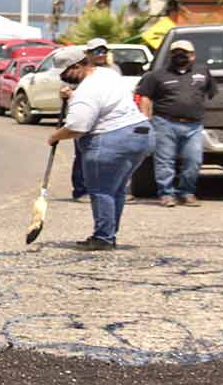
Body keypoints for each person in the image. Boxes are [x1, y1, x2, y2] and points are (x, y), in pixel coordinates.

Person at [46, 46, 154, 250]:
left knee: (101, 190)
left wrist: (55, 136)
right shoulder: (107, 74)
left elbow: (78, 127)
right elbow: (103, 99)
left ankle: (103, 237)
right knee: (116, 189)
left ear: (78, 66)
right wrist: (72, 96)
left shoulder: (86, 91)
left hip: (113, 139)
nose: (63, 78)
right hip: (141, 134)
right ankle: (109, 234)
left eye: (65, 73)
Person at [136, 40, 217, 208]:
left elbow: (211, 93)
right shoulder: (157, 75)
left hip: (194, 125)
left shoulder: (203, 72)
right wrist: (145, 119)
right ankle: (166, 194)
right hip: (164, 123)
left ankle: (187, 192)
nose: (180, 55)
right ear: (171, 55)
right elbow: (145, 96)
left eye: (184, 52)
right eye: (176, 52)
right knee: (165, 162)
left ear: (193, 55)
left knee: (193, 160)